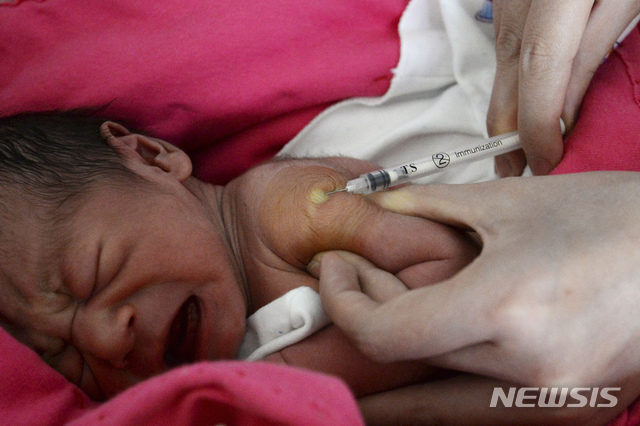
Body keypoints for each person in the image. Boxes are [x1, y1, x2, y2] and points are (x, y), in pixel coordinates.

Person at [0, 112, 479, 404]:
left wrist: (288, 376)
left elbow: (453, 264)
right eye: (68, 360)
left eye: (93, 275)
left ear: (151, 157)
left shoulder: (281, 209)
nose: (107, 342)